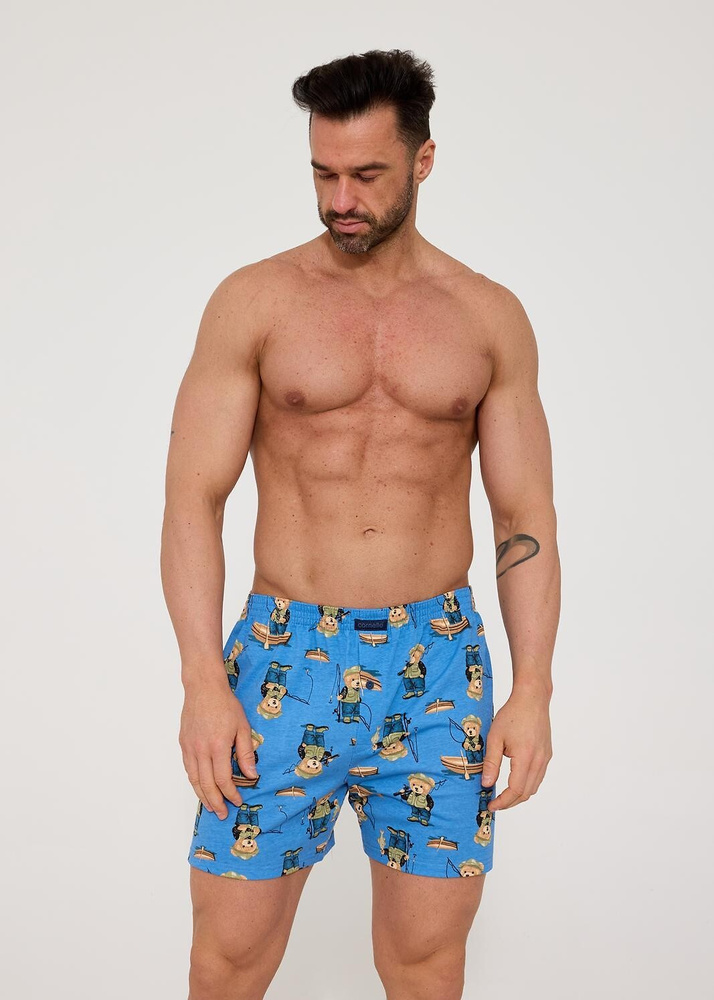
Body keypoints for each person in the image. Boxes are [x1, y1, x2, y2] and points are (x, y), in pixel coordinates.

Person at [161, 47, 560, 1000]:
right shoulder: (255, 302)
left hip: (439, 665)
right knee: (230, 958)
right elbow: (192, 500)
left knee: (425, 964)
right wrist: (202, 681)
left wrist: (534, 688)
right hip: (283, 657)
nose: (340, 200)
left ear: (423, 161)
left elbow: (524, 515)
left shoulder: (487, 317)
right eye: (323, 174)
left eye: (367, 176)